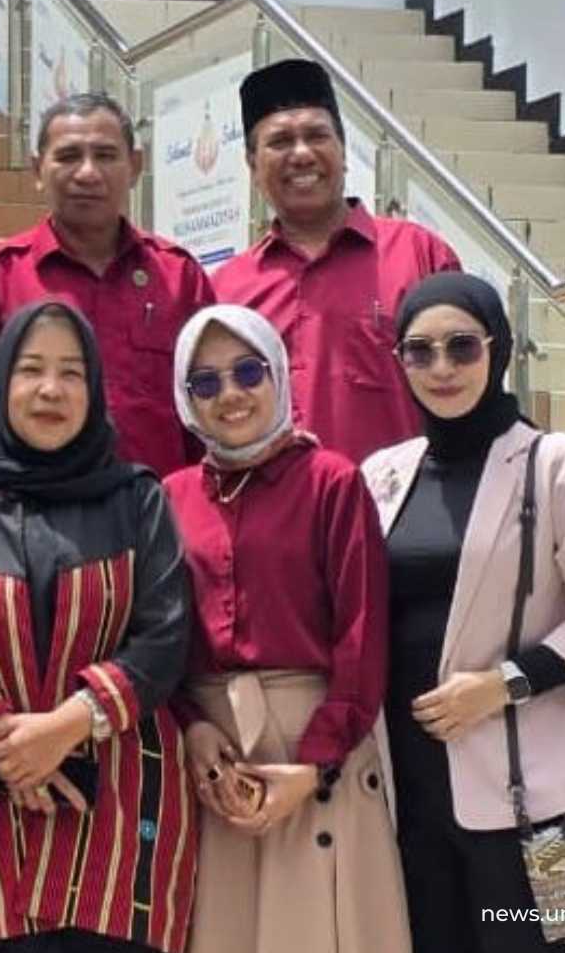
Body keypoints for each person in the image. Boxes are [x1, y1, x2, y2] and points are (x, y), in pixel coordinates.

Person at [362, 274, 565, 953]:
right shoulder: (382, 475)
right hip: (415, 795)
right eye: (420, 350)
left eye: (462, 346)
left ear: (500, 348)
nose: (441, 367)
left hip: (542, 802)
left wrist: (503, 684)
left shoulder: (560, 465)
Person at [0, 300, 197, 953]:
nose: (51, 389)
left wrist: (63, 728)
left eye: (71, 373)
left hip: (120, 805)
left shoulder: (137, 499)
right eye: (31, 369)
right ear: (0, 380)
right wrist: (5, 737)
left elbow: (164, 638)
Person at [162, 305, 410, 953]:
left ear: (277, 372)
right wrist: (191, 726)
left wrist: (314, 764)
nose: (231, 394)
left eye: (248, 372)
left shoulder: (331, 481)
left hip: (317, 748)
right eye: (205, 382)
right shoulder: (171, 498)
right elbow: (163, 634)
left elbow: (360, 635)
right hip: (217, 764)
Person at [212, 58, 460, 464]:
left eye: (317, 135)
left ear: (343, 152)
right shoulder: (226, 290)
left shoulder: (420, 256)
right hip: (273, 502)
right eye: (280, 142)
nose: (302, 154)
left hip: (400, 500)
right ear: (252, 167)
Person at [0, 93, 215, 476]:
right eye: (68, 156)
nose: (87, 173)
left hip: (156, 502)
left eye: (105, 155)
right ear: (37, 169)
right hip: (34, 501)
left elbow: (209, 403)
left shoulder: (178, 276)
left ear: (135, 166)